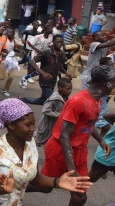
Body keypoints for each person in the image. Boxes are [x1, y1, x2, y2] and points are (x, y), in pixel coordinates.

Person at [0, 98, 92, 205]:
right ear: (11, 125)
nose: (33, 128)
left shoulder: (31, 144)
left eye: (33, 124)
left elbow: (34, 177)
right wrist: (3, 189)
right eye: (28, 125)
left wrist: (57, 182)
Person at [40, 65, 114, 206]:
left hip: (80, 151)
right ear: (107, 84)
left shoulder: (98, 100)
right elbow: (64, 136)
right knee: (45, 187)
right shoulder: (78, 101)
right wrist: (72, 170)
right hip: (60, 151)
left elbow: (86, 124)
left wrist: (101, 140)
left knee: (80, 197)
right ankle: (14, 187)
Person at [21, 35, 70, 105]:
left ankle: (23, 99)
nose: (60, 44)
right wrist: (43, 73)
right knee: (50, 101)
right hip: (44, 81)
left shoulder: (62, 54)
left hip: (53, 80)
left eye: (61, 42)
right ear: (53, 42)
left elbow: (59, 65)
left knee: (43, 100)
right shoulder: (46, 52)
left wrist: (65, 72)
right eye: (57, 42)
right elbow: (32, 62)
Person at [33, 77, 72, 146]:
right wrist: (58, 115)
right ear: (60, 88)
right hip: (47, 125)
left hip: (56, 125)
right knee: (37, 141)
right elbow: (45, 110)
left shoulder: (66, 97)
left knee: (51, 143)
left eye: (71, 89)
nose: (70, 91)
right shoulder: (55, 98)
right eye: (68, 89)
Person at [0, 27, 20, 97]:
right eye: (9, 32)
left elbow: (15, 48)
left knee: (11, 77)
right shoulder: (4, 39)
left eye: (12, 32)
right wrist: (2, 53)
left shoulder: (14, 41)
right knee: (1, 77)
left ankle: (5, 90)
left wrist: (20, 51)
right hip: (3, 60)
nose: (11, 33)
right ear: (7, 33)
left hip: (11, 61)